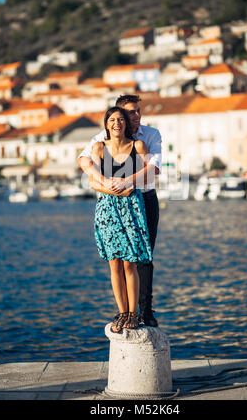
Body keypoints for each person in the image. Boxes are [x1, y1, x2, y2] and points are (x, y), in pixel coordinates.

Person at [77, 95, 161, 327]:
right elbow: (84, 161)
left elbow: (154, 169)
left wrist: (127, 184)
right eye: (127, 113)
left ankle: (143, 312)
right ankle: (124, 312)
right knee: (115, 262)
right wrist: (105, 182)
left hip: (142, 200)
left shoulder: (149, 136)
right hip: (109, 205)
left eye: (136, 112)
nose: (132, 117)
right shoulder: (100, 142)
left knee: (141, 258)